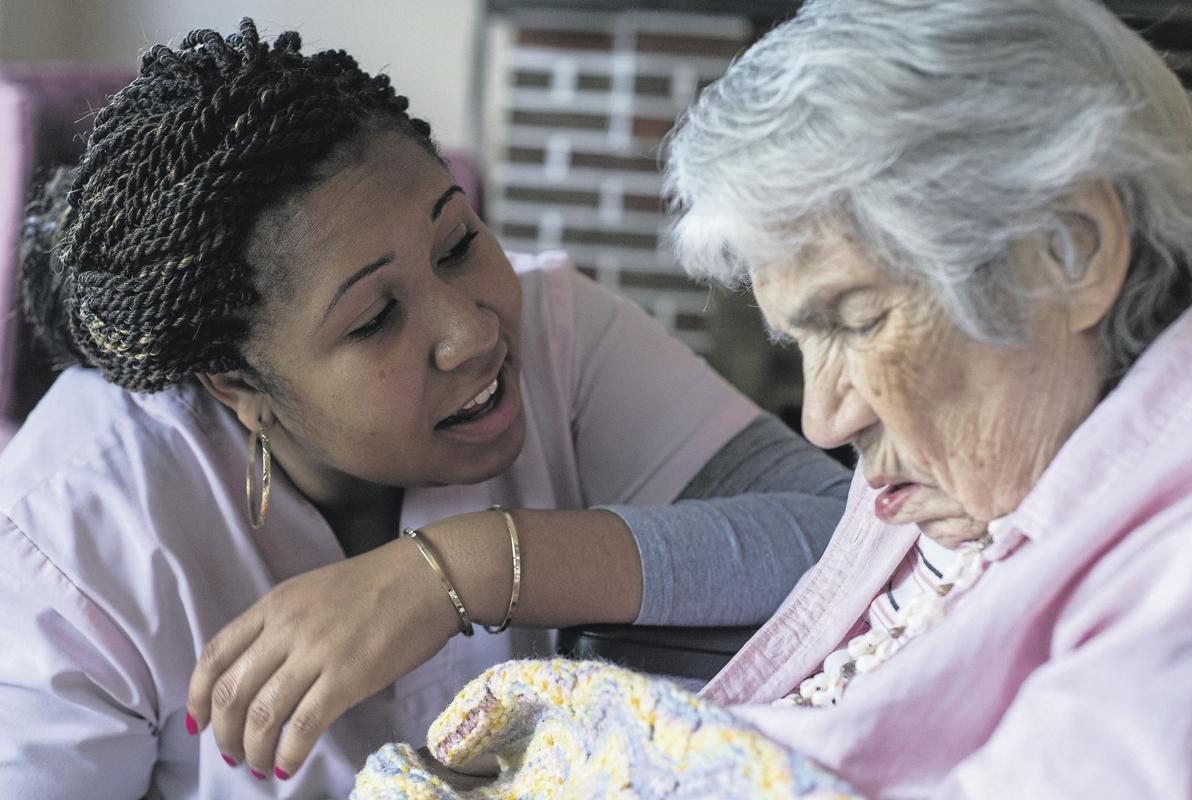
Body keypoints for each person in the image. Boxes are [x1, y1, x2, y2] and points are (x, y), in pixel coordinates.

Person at [358, 0, 1192, 796]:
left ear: (1069, 254)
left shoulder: (1173, 575)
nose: (826, 419)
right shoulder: (975, 462)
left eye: (859, 321)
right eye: (805, 344)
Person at [0, 19, 852, 799]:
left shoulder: (559, 331)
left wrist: (464, 570)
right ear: (239, 386)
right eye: (375, 319)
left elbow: (850, 541)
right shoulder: (70, 540)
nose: (471, 332)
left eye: (458, 244)